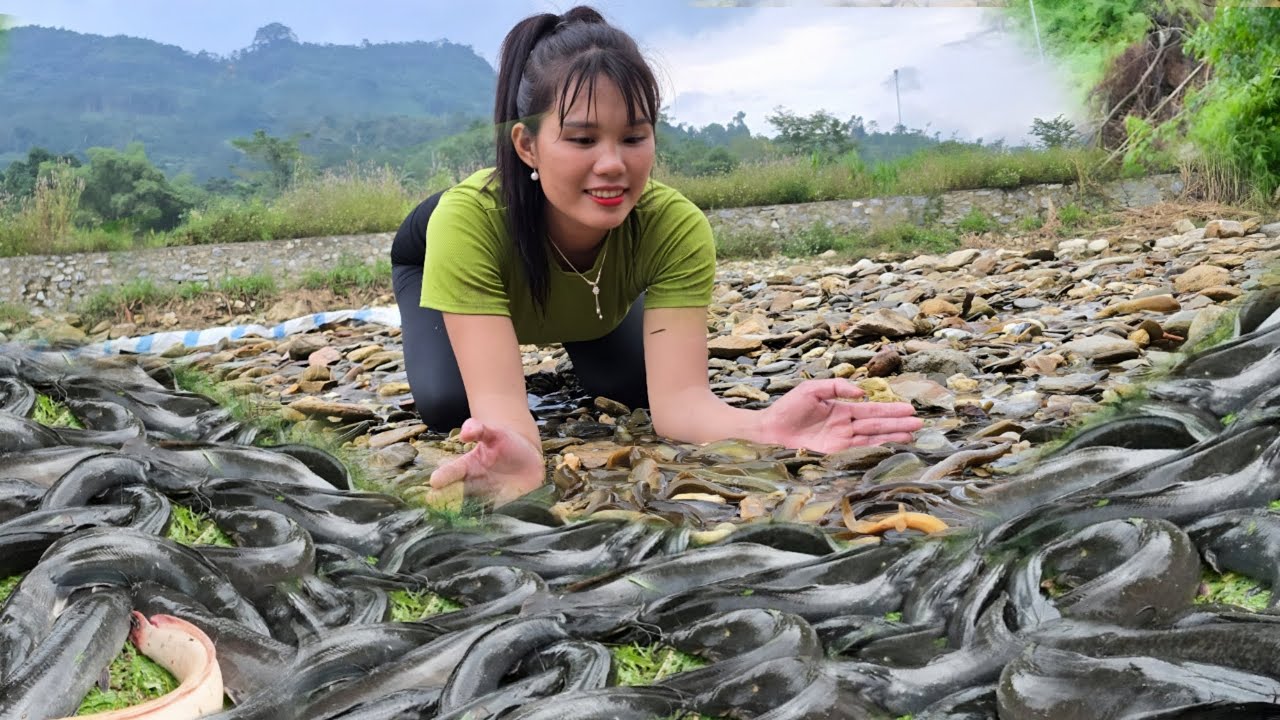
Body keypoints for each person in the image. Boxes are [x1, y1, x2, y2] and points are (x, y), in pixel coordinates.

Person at [390, 6, 922, 505]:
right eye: (581, 139)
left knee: (631, 389)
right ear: (527, 145)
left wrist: (765, 426)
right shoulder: (466, 223)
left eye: (633, 136)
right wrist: (521, 454)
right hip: (439, 253)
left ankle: (584, 333)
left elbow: (683, 405)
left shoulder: (674, 225)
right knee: (447, 405)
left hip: (590, 288)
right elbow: (502, 412)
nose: (612, 165)